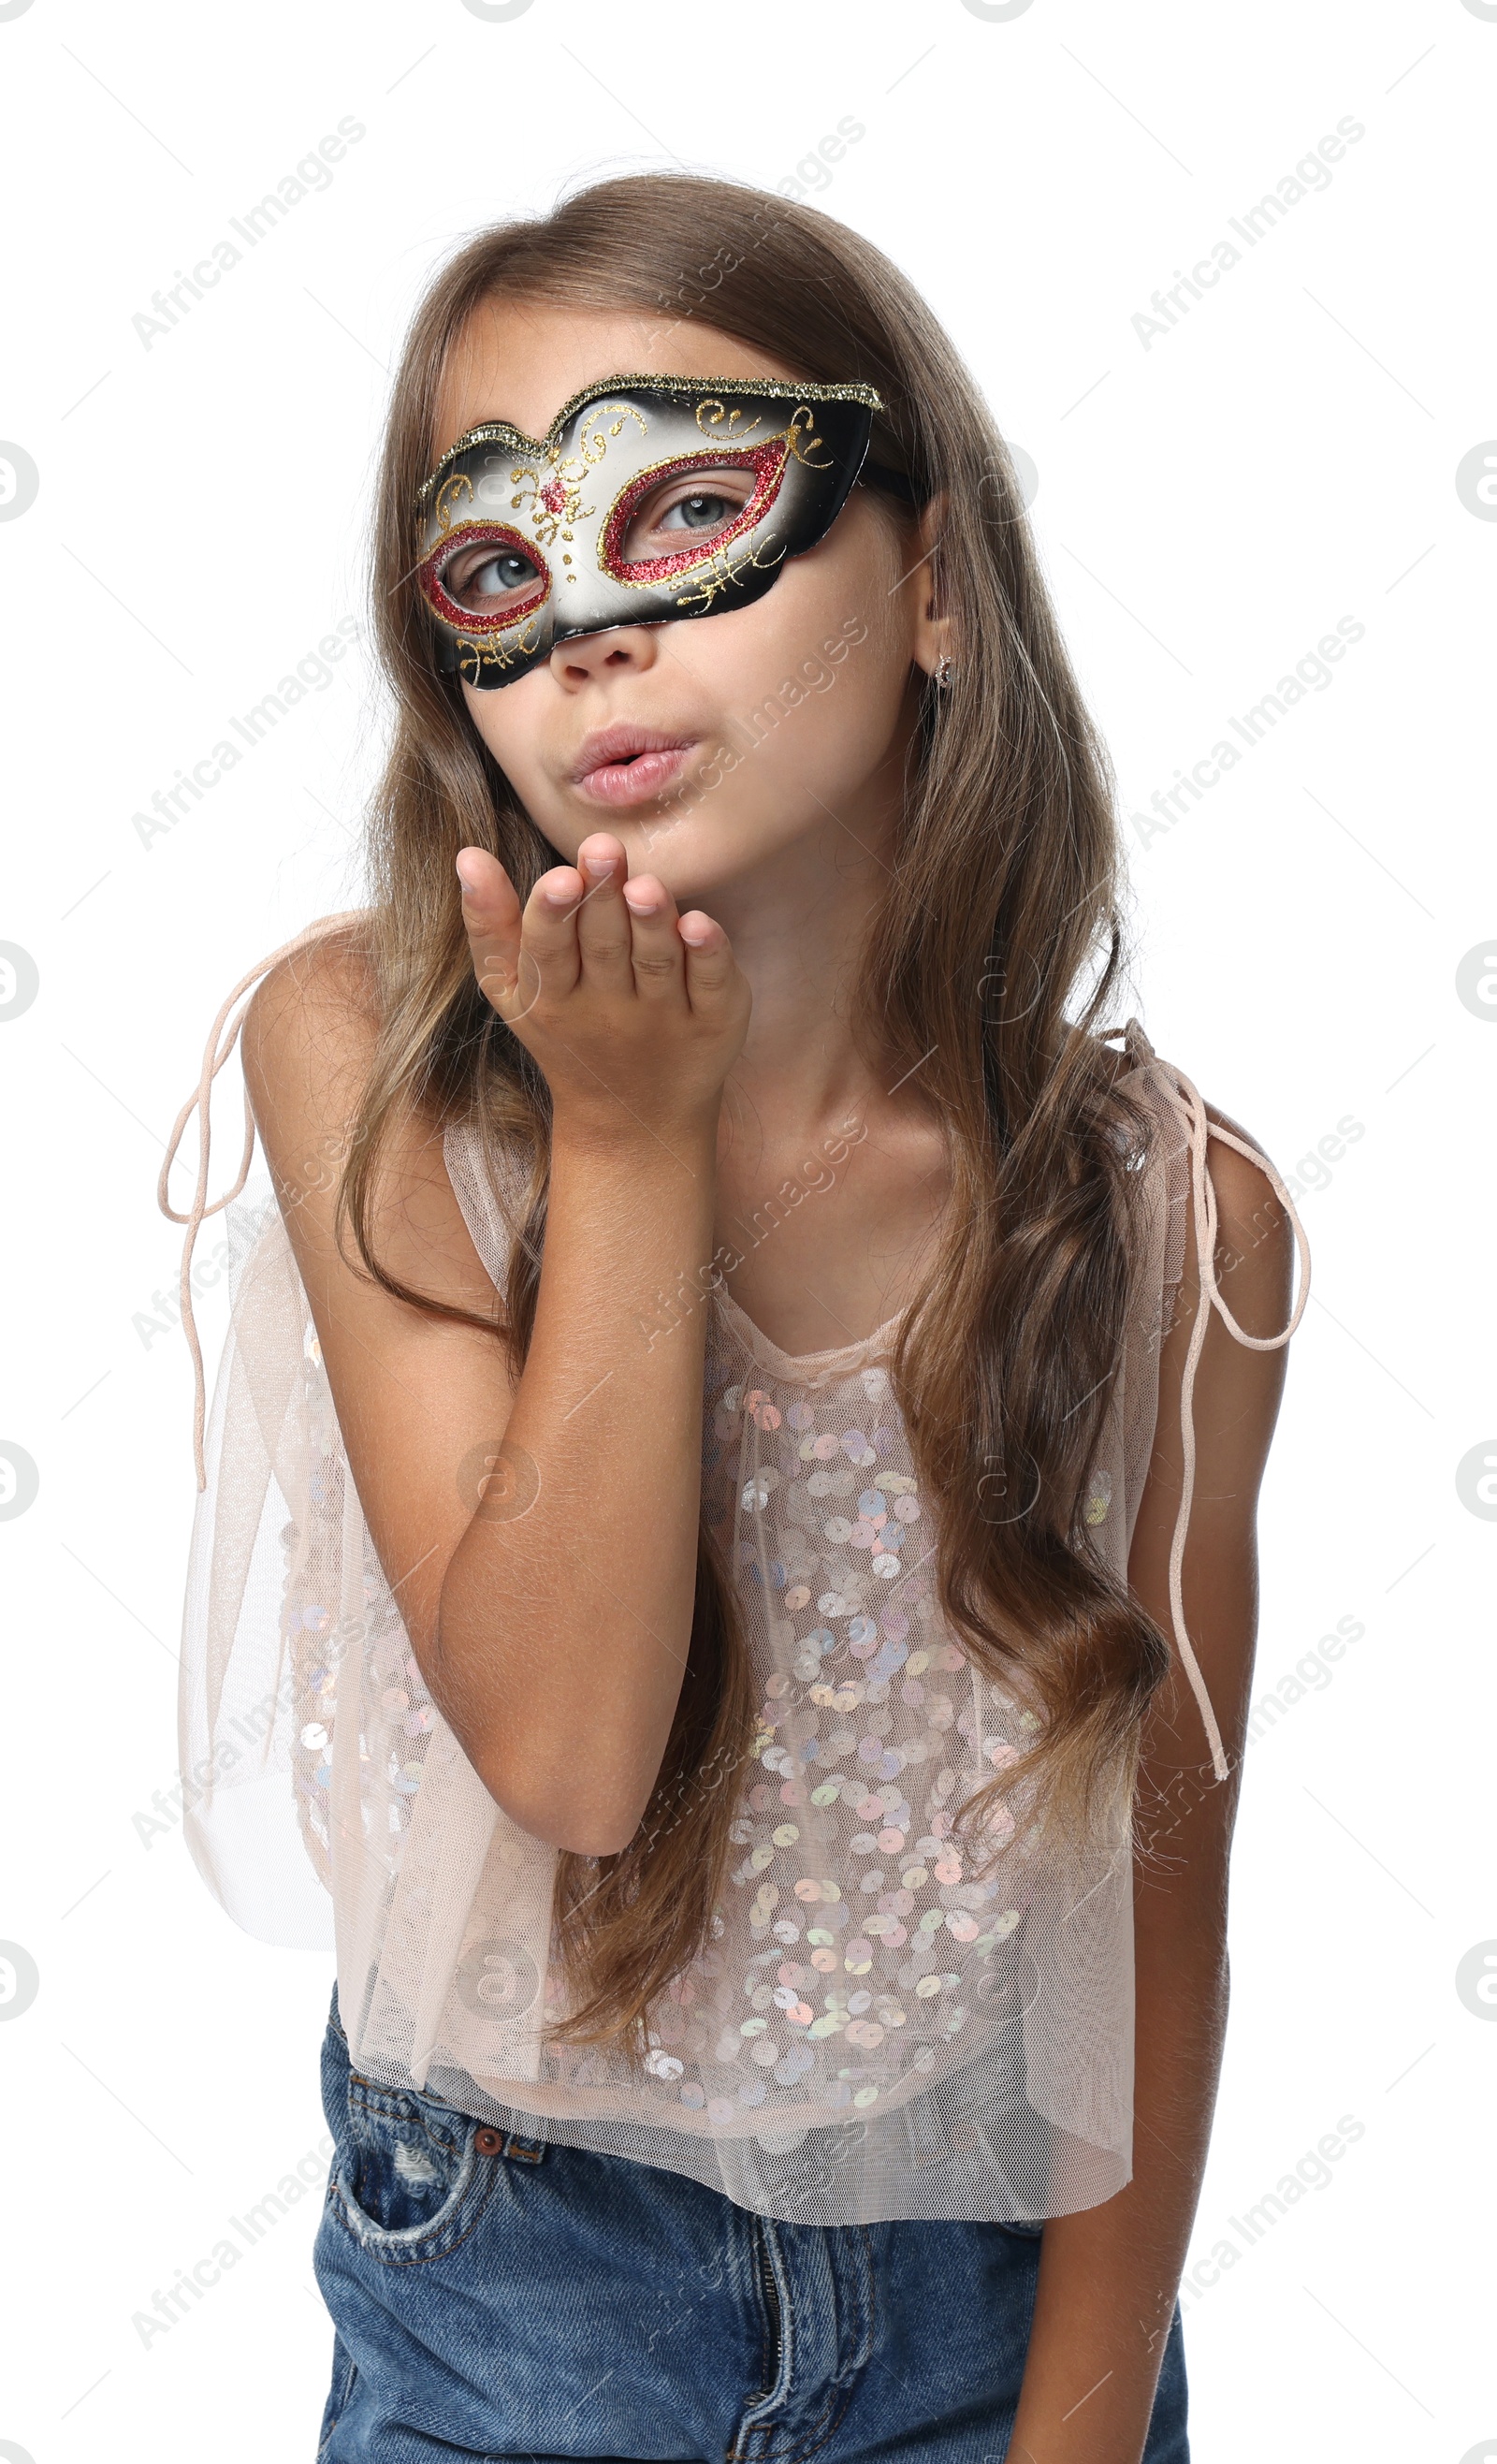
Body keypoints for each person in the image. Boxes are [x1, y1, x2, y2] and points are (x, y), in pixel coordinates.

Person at [161, 170, 1309, 2464]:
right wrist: (632, 1133)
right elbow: (572, 1754)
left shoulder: (1169, 1218)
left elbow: (1151, 1897)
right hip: (511, 2303)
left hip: (996, 2304)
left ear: (936, 589)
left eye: (683, 509)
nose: (586, 629)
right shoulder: (366, 1066)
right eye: (494, 566)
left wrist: (1077, 2436)